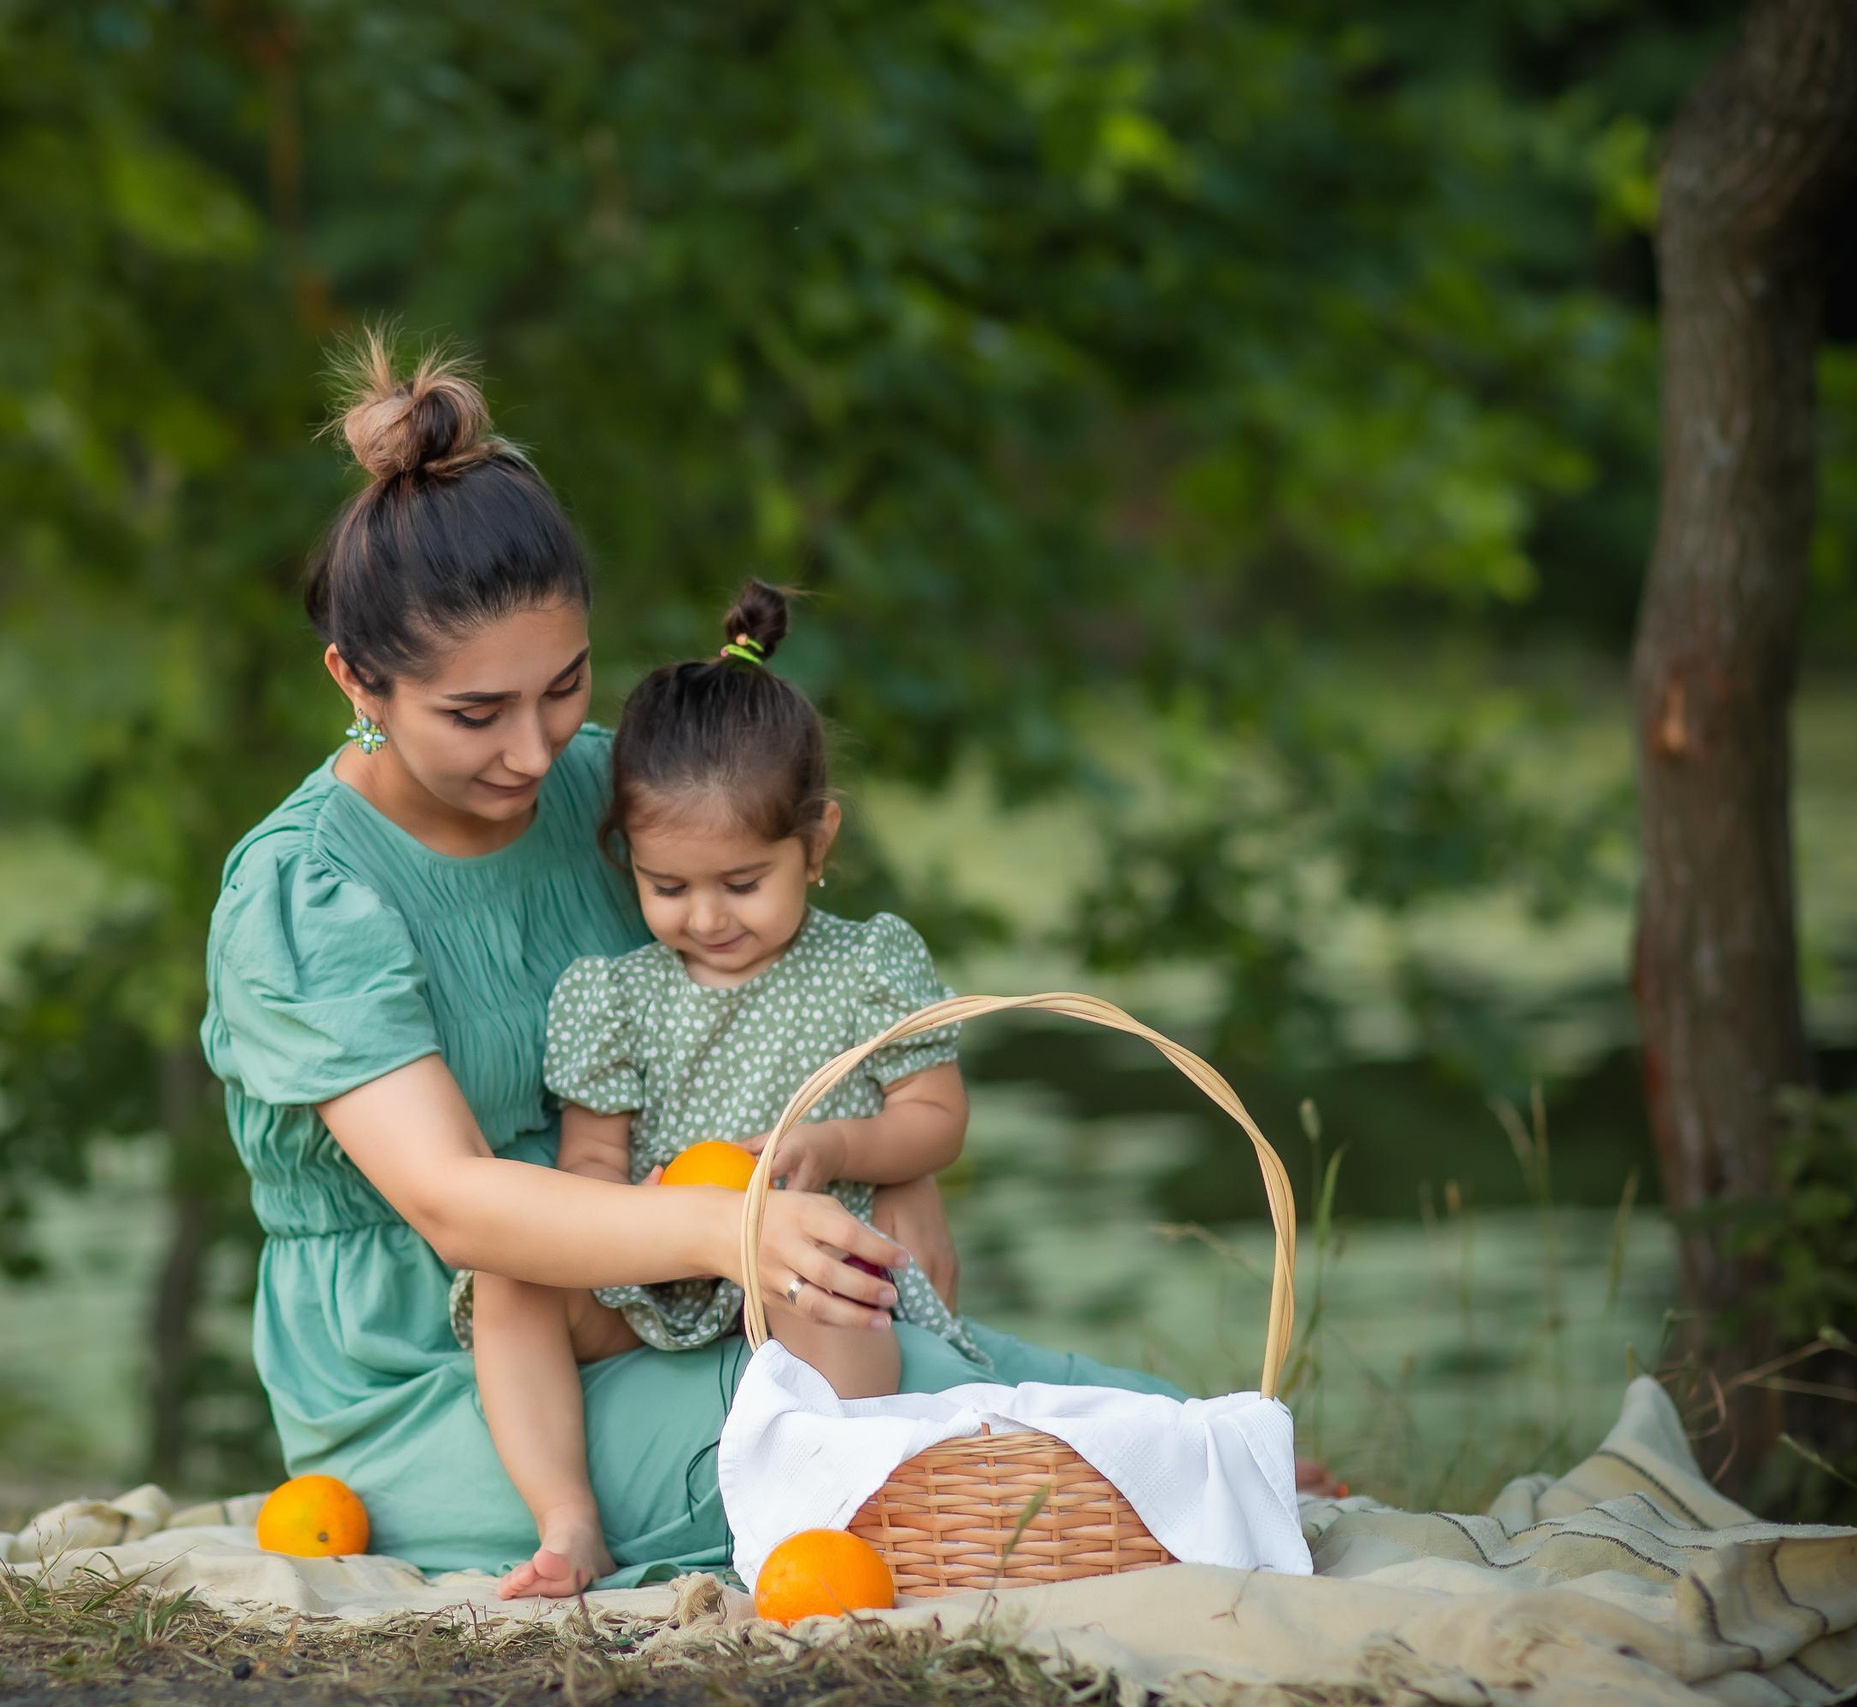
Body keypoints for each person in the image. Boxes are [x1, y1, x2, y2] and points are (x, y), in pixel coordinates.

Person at [199, 335, 1295, 1592]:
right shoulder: (307, 894)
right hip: (441, 1370)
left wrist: (886, 1151)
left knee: (957, 1365)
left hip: (666, 1284)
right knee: (879, 1426)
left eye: (562, 687)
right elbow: (455, 1203)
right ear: (356, 682)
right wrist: (734, 1228)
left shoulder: (594, 787)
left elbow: (760, 965)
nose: (530, 749)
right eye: (472, 714)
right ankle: (1196, 1484)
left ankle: (1227, 1463)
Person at [458, 579, 985, 1596]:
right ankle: (568, 1522)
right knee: (510, 1273)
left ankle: (840, 1513)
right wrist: (647, 1211)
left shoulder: (864, 965)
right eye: (668, 887)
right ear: (629, 863)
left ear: (815, 845)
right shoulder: (611, 997)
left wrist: (830, 1151)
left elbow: (935, 1120)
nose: (705, 917)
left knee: (837, 1293)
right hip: (658, 1276)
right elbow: (588, 1171)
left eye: (742, 883)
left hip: (805, 1272)